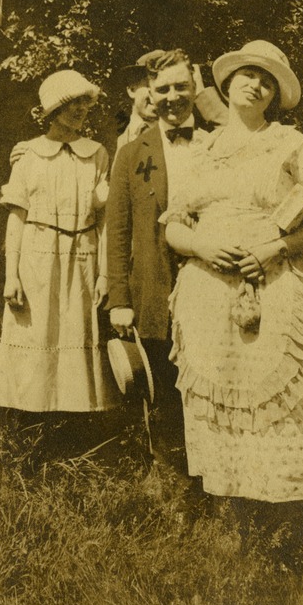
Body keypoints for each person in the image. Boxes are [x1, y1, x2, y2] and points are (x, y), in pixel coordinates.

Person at [160, 40, 303, 506]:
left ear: (275, 95)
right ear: (227, 83)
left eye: (267, 80)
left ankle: (287, 511)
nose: (256, 84)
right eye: (248, 74)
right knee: (218, 392)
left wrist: (277, 248)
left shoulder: (288, 142)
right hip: (206, 287)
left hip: (274, 284)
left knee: (278, 397)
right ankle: (230, 509)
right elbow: (173, 226)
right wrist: (202, 245)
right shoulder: (201, 149)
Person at [0, 70, 118, 422]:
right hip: (38, 256)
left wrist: (105, 272)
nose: (79, 110)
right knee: (37, 336)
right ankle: (33, 425)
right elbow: (16, 218)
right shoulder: (28, 155)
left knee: (78, 333)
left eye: (84, 103)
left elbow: (104, 217)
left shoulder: (97, 154)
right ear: (52, 110)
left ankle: (77, 427)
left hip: (82, 256)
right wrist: (12, 275)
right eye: (70, 103)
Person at [106, 49, 211, 482]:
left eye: (180, 87)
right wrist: (119, 300)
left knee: (211, 385)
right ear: (149, 93)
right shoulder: (132, 153)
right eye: (162, 89)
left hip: (209, 285)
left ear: (195, 88)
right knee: (163, 389)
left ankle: (217, 481)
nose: (172, 97)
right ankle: (173, 485)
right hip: (153, 288)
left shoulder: (216, 143)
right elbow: (117, 231)